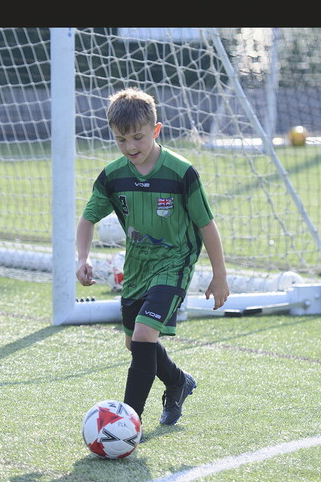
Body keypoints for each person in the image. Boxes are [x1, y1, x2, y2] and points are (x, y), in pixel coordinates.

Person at [76, 87, 229, 427]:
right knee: (135, 344)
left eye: (138, 138)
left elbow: (207, 225)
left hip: (174, 263)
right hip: (136, 267)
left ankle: (126, 422)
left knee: (145, 336)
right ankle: (177, 382)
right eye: (120, 140)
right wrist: (82, 257)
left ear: (156, 130)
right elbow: (87, 219)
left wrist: (220, 274)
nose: (130, 147)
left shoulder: (180, 172)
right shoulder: (112, 176)